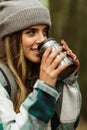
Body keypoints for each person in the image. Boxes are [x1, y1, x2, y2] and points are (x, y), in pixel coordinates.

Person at [0, 0, 82, 130]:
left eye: (44, 32)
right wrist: (44, 89)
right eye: (31, 32)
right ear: (12, 38)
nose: (42, 40)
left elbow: (66, 126)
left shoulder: (38, 74)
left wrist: (66, 81)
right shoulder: (2, 81)